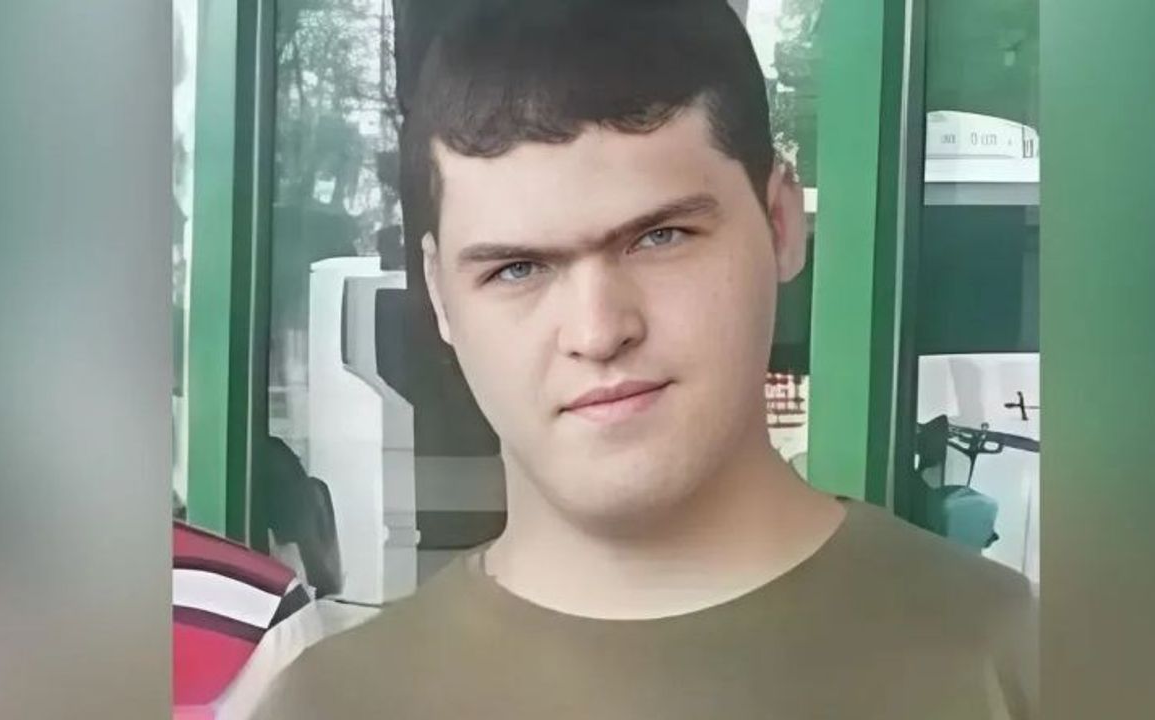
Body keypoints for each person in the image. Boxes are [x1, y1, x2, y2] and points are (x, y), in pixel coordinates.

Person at [252, 1, 1037, 717]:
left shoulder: (1026, 668)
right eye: (517, 270)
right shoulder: (330, 705)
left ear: (780, 222)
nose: (598, 331)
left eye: (660, 238)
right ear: (439, 294)